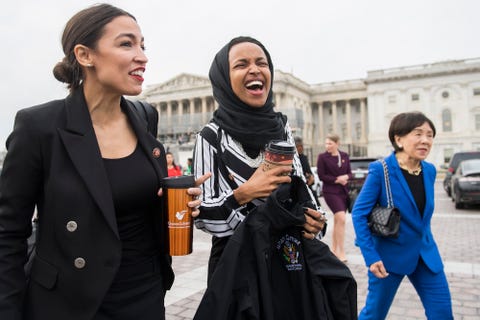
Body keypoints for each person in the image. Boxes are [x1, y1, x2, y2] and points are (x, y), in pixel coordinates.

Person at [0, 4, 208, 319]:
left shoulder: (145, 115)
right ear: (85, 55)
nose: (142, 56)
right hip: (70, 302)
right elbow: (8, 233)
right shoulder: (39, 126)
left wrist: (178, 205)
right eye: (127, 44)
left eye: (143, 45)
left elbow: (131, 199)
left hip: (144, 293)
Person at [192, 36, 327, 281]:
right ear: (224, 77)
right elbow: (202, 214)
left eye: (261, 63)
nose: (254, 69)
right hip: (237, 265)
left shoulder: (281, 127)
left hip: (287, 258)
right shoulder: (210, 136)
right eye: (241, 64)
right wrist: (245, 192)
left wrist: (316, 220)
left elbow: (301, 190)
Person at [352, 111, 453, 319]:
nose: (425, 140)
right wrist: (371, 257)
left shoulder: (429, 170)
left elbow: (420, 216)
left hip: (426, 255)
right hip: (388, 258)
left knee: (442, 312)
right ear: (398, 139)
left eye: (430, 135)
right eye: (418, 134)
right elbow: (359, 214)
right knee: (374, 314)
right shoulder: (381, 170)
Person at [316, 133, 352, 262]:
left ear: (337, 143)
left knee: (338, 221)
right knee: (341, 218)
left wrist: (346, 177)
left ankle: (334, 249)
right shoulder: (322, 157)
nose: (327, 146)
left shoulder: (344, 156)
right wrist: (337, 179)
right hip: (330, 191)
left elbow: (349, 172)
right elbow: (321, 176)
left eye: (330, 143)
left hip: (343, 191)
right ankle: (341, 251)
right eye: (326, 143)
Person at [294, 136, 320, 205]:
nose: (301, 148)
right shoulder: (291, 159)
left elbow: (309, 172)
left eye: (301, 146)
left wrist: (311, 178)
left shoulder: (304, 158)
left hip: (307, 188)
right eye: (298, 146)